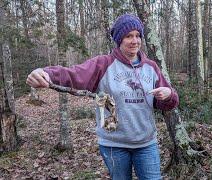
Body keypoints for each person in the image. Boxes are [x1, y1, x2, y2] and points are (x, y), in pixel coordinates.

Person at [26, 13, 179, 179]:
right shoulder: (103, 64)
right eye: (128, 36)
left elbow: (168, 103)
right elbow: (75, 74)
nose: (135, 41)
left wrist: (169, 95)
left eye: (137, 35)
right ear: (119, 39)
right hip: (114, 144)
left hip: (146, 143)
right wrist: (46, 74)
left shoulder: (151, 67)